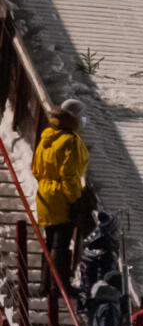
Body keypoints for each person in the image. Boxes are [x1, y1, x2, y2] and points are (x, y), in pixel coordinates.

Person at [32, 99, 90, 294]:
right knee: (61, 243)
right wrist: (75, 199)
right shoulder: (71, 141)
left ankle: (44, 284)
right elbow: (70, 176)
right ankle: (60, 286)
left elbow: (36, 169)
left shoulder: (47, 137)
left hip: (44, 194)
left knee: (49, 242)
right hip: (62, 198)